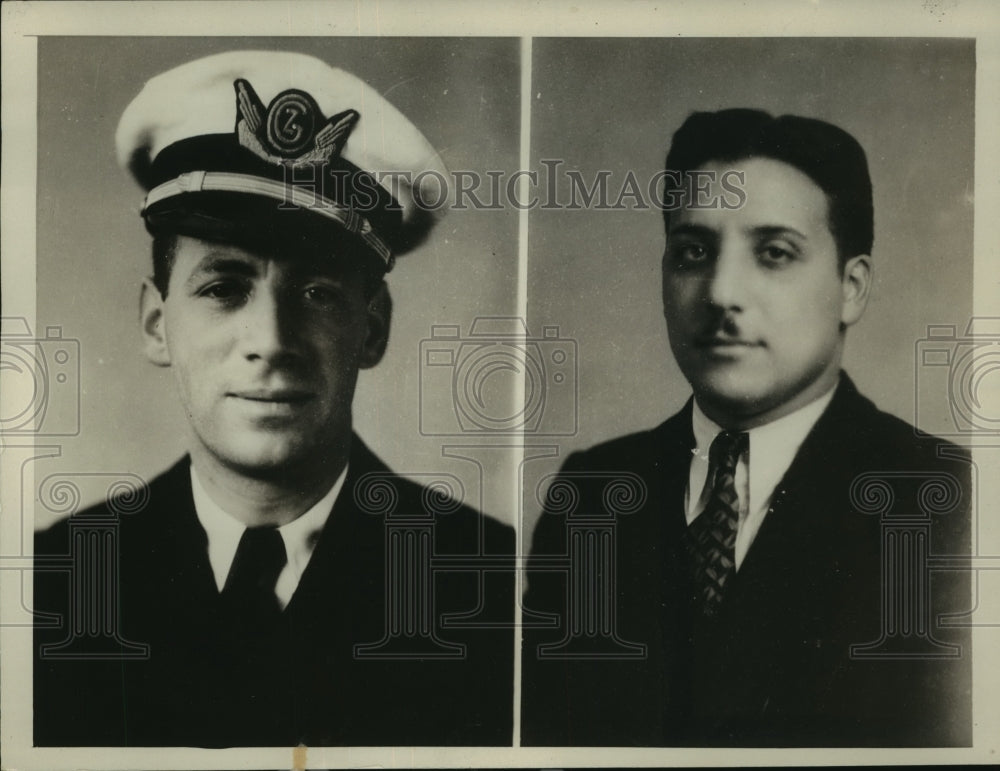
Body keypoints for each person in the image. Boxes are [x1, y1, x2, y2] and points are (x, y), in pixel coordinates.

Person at [34, 50, 513, 748]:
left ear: (372, 329)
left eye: (317, 293)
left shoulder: (490, 582)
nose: (271, 340)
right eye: (224, 288)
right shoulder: (58, 582)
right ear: (157, 324)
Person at [521, 109, 972, 747]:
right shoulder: (592, 493)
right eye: (693, 252)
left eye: (774, 253)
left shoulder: (948, 500)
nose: (721, 292)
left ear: (852, 288)